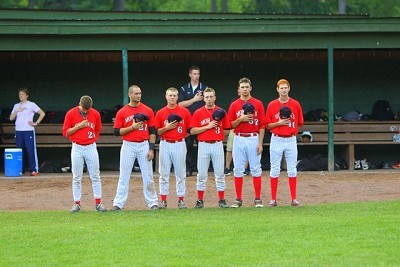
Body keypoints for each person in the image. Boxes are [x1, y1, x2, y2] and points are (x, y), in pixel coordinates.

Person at [111, 85, 159, 211]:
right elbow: (116, 132)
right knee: (124, 176)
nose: (139, 96)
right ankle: (118, 203)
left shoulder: (147, 110)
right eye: (136, 93)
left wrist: (151, 148)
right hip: (128, 145)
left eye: (140, 93)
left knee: (148, 176)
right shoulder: (122, 111)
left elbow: (152, 131)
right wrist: (132, 128)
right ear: (130, 95)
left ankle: (153, 202)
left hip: (143, 144)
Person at [62, 95, 107, 213]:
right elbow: (66, 132)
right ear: (79, 104)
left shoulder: (95, 114)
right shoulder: (71, 113)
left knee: (95, 176)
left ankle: (98, 203)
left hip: (91, 147)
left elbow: (98, 128)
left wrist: (94, 138)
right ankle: (76, 203)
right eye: (84, 110)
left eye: (88, 110)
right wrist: (78, 127)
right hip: (77, 146)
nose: (86, 112)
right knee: (77, 177)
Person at [227, 77, 266, 208]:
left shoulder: (258, 103)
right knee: (238, 169)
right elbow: (230, 124)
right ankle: (238, 199)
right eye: (242, 87)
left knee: (255, 168)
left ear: (250, 88)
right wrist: (241, 119)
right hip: (238, 137)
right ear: (239, 89)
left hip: (253, 137)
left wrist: (260, 143)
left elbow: (262, 125)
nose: (244, 89)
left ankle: (258, 199)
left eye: (246, 87)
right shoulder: (234, 104)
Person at [189, 88, 230, 208]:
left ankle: (222, 199)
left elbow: (227, 129)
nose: (209, 99)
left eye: (211, 96)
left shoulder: (221, 111)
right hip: (203, 144)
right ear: (204, 99)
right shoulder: (198, 112)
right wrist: (207, 127)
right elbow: (192, 130)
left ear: (215, 97)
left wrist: (219, 134)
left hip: (217, 144)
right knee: (201, 174)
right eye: (207, 97)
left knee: (219, 174)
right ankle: (200, 200)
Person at [265, 78, 304, 207]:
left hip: (291, 139)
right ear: (277, 89)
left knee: (292, 169)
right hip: (276, 138)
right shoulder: (272, 105)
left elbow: (300, 123)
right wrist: (279, 123)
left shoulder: (295, 104)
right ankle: (273, 199)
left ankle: (293, 198)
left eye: (285, 87)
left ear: (289, 88)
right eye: (281, 88)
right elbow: (268, 126)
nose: (283, 90)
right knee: (275, 169)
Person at [155, 87, 192, 209]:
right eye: (170, 95)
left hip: (179, 143)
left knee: (180, 173)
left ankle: (181, 200)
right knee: (164, 173)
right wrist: (167, 128)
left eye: (175, 95)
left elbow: (189, 130)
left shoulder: (184, 111)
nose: (172, 97)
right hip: (165, 143)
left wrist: (179, 136)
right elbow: (158, 132)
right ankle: (164, 200)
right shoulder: (160, 112)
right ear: (166, 96)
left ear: (177, 97)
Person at [178, 66, 207, 177]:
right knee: (188, 146)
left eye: (198, 74)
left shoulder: (204, 88)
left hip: (202, 123)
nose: (196, 76)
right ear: (190, 74)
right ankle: (188, 169)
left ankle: (202, 169)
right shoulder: (184, 89)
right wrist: (194, 100)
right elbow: (180, 104)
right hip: (188, 122)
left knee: (202, 146)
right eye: (194, 74)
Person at [9, 87, 45, 176]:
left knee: (30, 150)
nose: (21, 96)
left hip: (28, 130)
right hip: (18, 131)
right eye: (19, 94)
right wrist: (17, 111)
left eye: (23, 94)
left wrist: (36, 123)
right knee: (19, 151)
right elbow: (11, 118)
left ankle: (34, 169)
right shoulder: (16, 106)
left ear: (27, 95)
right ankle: (20, 169)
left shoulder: (31, 104)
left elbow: (42, 113)